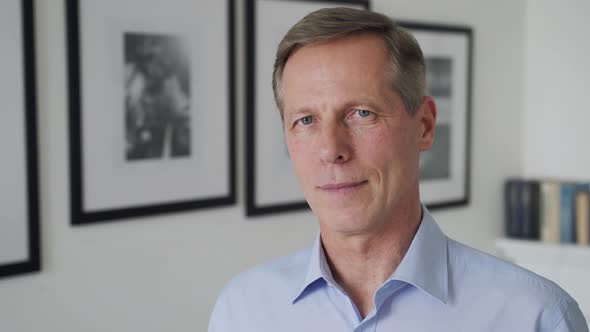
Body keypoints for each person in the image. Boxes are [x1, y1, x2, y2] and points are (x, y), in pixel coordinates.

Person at [208, 7, 588, 332]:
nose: (331, 150)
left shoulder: (534, 317)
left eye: (361, 114)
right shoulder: (241, 311)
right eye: (306, 120)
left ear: (423, 125)